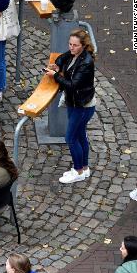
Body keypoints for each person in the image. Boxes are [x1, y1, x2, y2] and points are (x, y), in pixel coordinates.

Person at [44, 29, 97, 184]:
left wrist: (55, 76)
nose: (71, 48)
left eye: (75, 45)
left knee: (71, 137)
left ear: (83, 46)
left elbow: (72, 85)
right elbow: (61, 57)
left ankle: (78, 171)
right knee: (80, 135)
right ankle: (84, 168)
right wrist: (58, 67)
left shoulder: (86, 62)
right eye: (70, 44)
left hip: (82, 106)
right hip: (76, 103)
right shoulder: (75, 54)